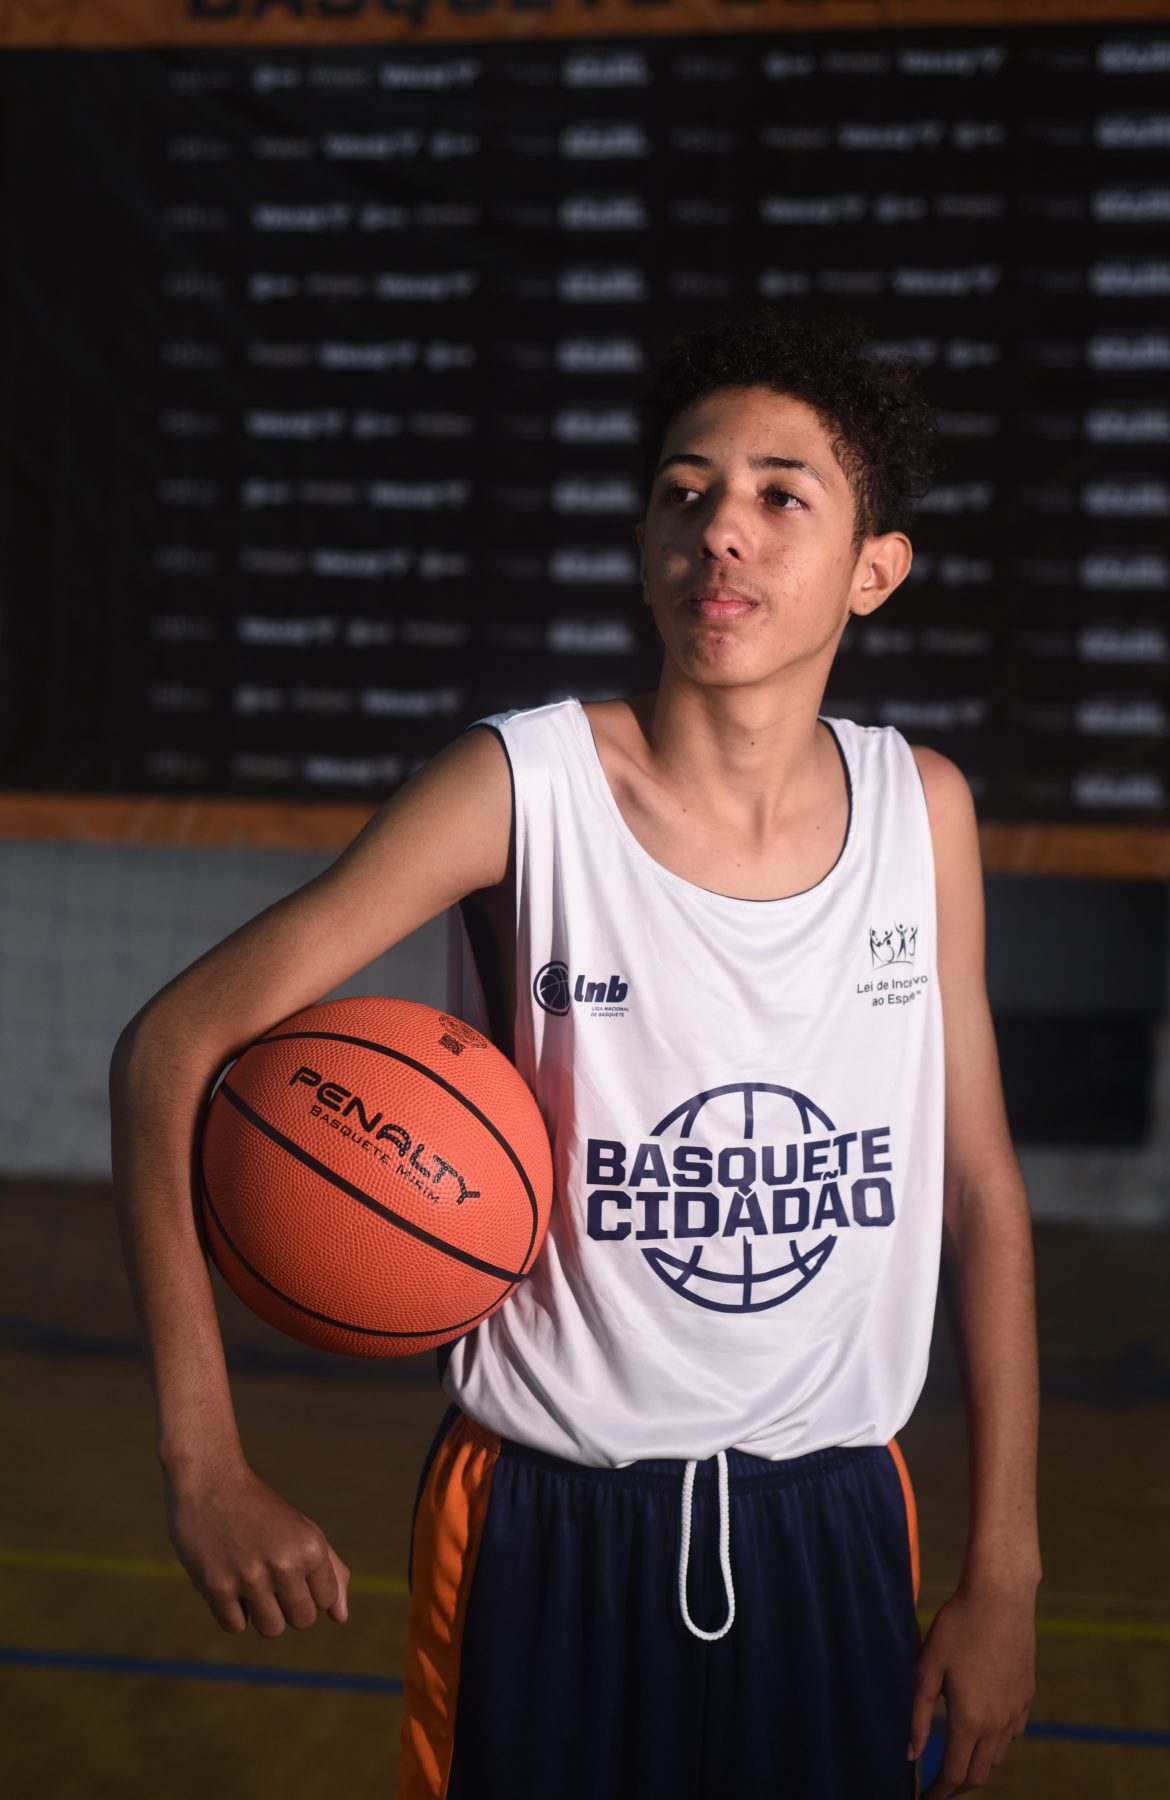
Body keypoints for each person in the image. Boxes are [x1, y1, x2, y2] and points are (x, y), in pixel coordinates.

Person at [110, 306, 1040, 1800]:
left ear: (876, 570)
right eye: (686, 491)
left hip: (834, 1521)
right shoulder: (521, 785)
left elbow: (980, 1195)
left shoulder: (921, 810)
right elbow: (172, 1047)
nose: (721, 527)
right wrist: (201, 1461)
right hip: (544, 1519)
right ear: (646, 543)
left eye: (780, 496)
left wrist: (1007, 1575)